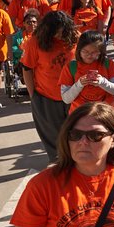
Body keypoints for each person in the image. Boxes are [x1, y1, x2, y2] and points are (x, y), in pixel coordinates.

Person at [23, 11, 79, 160]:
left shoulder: (75, 38)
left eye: (62, 31)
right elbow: (27, 69)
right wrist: (33, 95)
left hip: (74, 95)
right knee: (54, 138)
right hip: (46, 97)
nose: (59, 35)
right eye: (56, 32)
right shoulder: (35, 42)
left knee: (77, 133)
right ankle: (59, 166)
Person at [59, 31, 114, 108]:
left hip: (105, 111)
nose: (89, 55)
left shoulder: (107, 63)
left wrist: (102, 82)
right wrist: (79, 84)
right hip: (80, 113)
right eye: (85, 51)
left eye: (94, 52)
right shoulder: (71, 67)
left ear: (100, 52)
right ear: (79, 50)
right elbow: (66, 99)